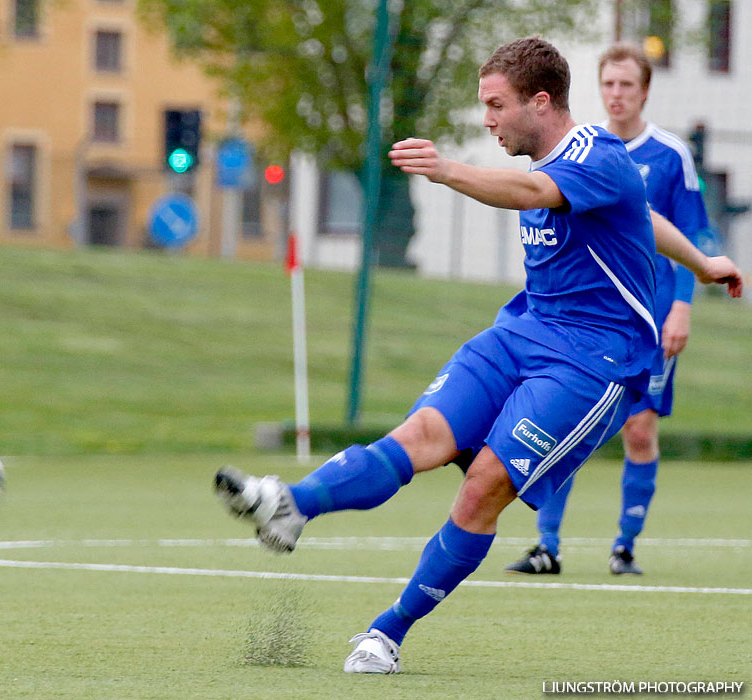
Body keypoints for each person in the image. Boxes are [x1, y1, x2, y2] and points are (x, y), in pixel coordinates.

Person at [213, 37, 743, 674]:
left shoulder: (594, 156)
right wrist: (705, 261)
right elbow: (644, 218)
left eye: (496, 105)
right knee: (423, 434)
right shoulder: (574, 166)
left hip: (593, 362)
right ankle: (292, 504)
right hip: (521, 332)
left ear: (540, 101)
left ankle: (388, 633)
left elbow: (537, 197)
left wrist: (445, 170)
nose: (487, 119)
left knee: (482, 486)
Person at [504, 42, 712, 578]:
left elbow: (694, 234)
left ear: (644, 91)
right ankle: (546, 544)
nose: (616, 94)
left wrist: (682, 308)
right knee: (560, 421)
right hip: (587, 323)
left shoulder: (669, 155)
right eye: (609, 84)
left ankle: (624, 545)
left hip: (651, 319)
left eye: (627, 85)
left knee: (639, 431)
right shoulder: (578, 147)